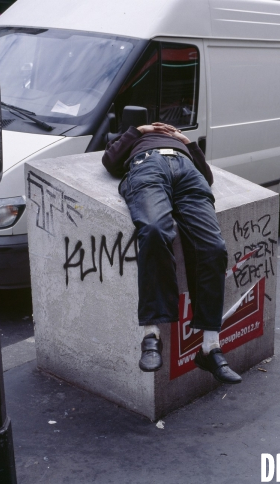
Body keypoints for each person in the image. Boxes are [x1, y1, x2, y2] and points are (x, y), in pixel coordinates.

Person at [102, 121, 242, 384]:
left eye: (166, 125)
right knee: (154, 230)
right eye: (155, 124)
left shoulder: (183, 143)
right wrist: (138, 131)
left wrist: (186, 141)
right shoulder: (137, 137)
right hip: (148, 166)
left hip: (188, 173)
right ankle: (151, 334)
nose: (161, 126)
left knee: (213, 247)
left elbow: (207, 177)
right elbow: (110, 160)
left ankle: (210, 346)